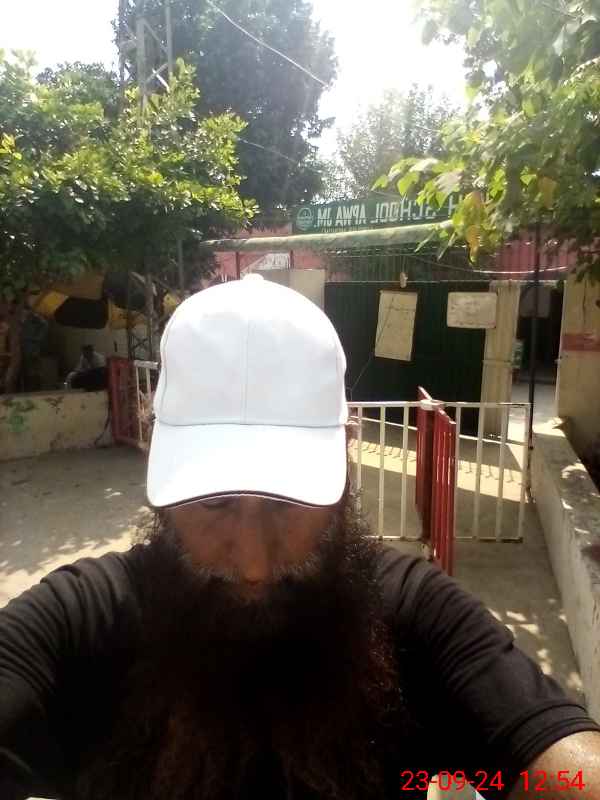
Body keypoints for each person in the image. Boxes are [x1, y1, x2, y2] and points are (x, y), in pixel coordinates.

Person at [1, 275, 599, 800]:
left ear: (347, 451)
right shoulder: (80, 625)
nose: (254, 564)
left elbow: (562, 767)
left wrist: (505, 774)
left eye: (288, 502)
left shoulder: (415, 617)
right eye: (213, 501)